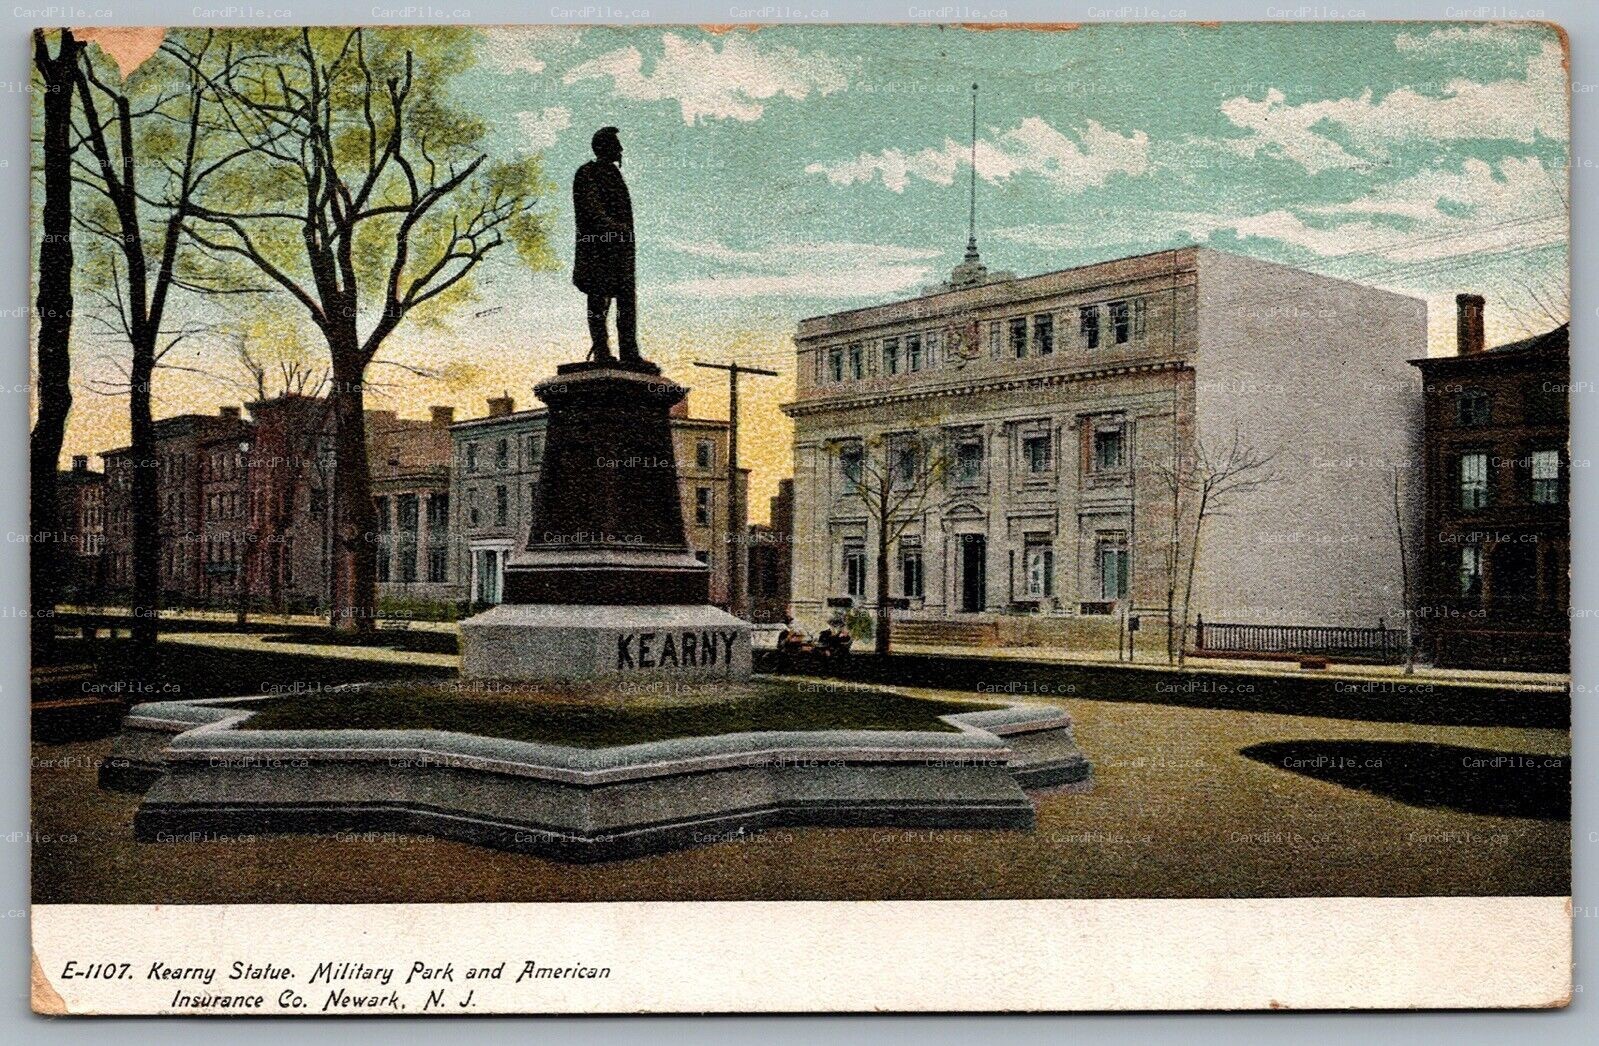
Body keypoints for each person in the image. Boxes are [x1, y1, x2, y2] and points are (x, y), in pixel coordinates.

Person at [572, 126, 638, 363]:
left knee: (626, 302)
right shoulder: (587, 173)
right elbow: (591, 210)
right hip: (597, 250)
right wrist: (615, 227)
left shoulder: (614, 174)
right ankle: (601, 350)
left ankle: (630, 353)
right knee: (598, 301)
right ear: (603, 147)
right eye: (615, 145)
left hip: (620, 252)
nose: (620, 149)